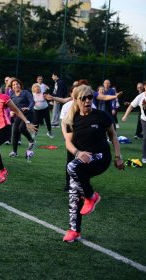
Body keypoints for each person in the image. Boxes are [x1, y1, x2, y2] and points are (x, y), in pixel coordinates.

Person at [61, 85, 124, 242]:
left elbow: (114, 136)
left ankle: (91, 196)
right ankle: (74, 230)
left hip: (101, 157)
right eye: (84, 98)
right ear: (76, 100)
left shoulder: (102, 116)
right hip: (82, 159)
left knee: (71, 167)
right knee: (74, 192)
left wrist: (118, 157)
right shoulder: (70, 119)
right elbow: (68, 143)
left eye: (90, 97)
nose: (88, 100)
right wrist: (77, 153)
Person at [8, 78, 36, 158]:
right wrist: (11, 111)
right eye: (13, 85)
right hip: (18, 115)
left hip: (28, 114)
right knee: (15, 132)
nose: (16, 85)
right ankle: (14, 152)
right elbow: (9, 105)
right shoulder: (12, 95)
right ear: (12, 87)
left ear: (20, 85)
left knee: (21, 128)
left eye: (17, 84)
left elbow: (32, 101)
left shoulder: (25, 92)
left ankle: (31, 141)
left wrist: (29, 107)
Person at [121, 83, 146, 163]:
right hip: (144, 120)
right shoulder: (140, 97)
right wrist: (125, 116)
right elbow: (131, 106)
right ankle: (144, 157)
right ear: (144, 86)